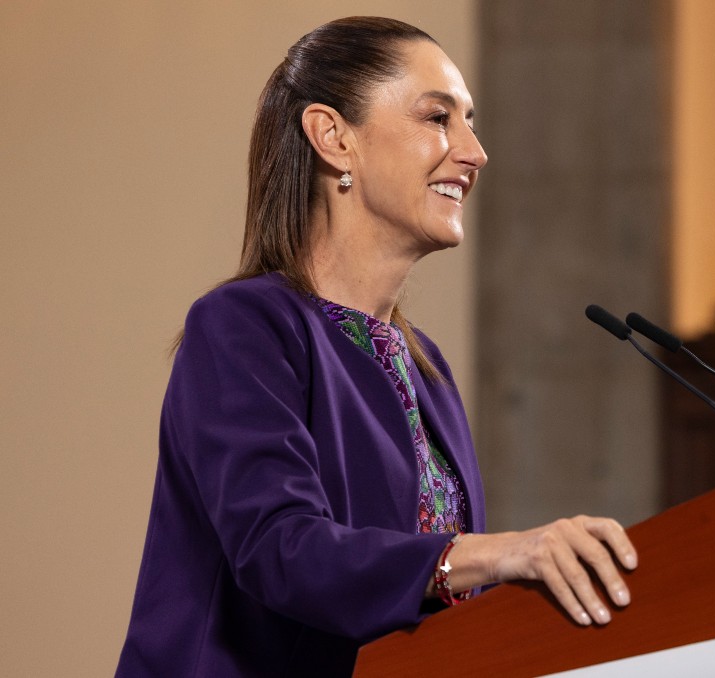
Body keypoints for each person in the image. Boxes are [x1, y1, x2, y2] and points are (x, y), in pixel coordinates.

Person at [116, 17, 637, 677]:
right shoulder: (242, 326)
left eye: (470, 120)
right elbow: (281, 551)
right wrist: (500, 552)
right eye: (439, 117)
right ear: (335, 138)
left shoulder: (428, 373)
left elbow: (443, 610)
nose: (474, 151)